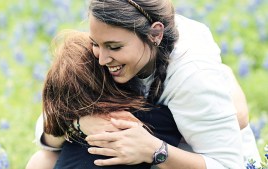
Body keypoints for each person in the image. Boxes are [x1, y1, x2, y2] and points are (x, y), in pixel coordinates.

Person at [27, 0, 261, 168]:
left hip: (191, 156)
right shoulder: (107, 43)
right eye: (95, 43)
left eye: (114, 47)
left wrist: (155, 151)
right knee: (42, 162)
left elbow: (229, 164)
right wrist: (80, 123)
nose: (102, 59)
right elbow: (49, 125)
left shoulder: (193, 74)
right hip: (140, 143)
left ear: (155, 34)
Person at [27, 30, 182, 169]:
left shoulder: (74, 128)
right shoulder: (158, 119)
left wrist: (76, 124)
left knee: (41, 159)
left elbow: (52, 123)